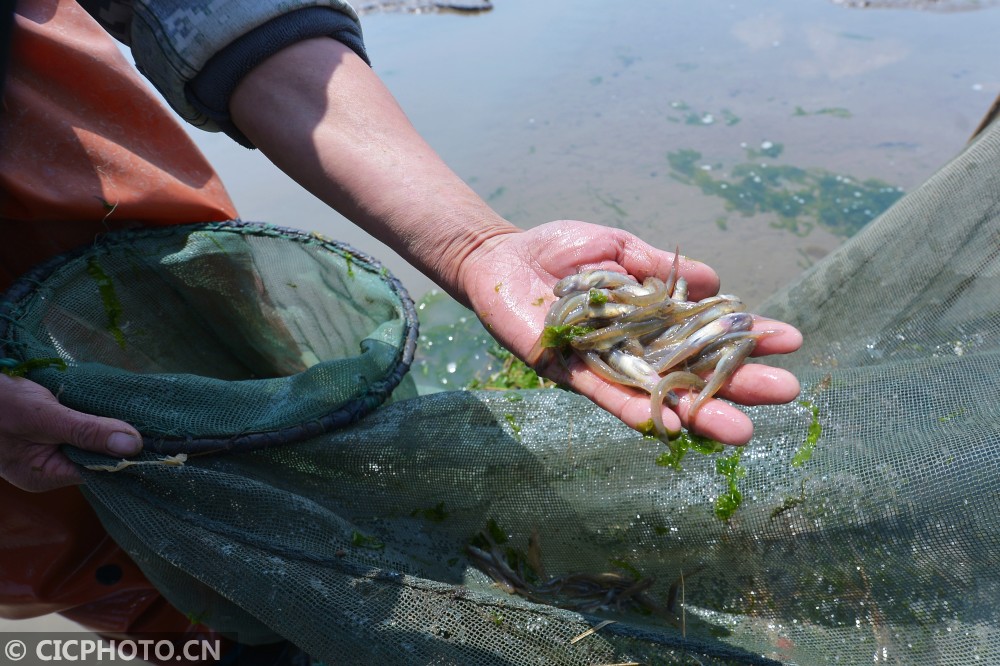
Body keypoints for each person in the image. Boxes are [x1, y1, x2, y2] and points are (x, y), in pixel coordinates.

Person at [0, 0, 802, 648]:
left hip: (132, 244)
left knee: (286, 462)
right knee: (152, 589)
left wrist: (472, 244)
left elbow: (218, 14)